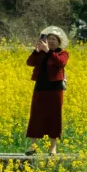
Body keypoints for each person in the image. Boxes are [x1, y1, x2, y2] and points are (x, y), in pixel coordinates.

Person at [26, 26, 70, 156]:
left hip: (55, 89)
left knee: (54, 117)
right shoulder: (41, 53)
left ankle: (53, 147)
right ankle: (33, 146)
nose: (50, 42)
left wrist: (49, 51)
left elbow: (60, 63)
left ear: (59, 41)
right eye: (48, 39)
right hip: (40, 87)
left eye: (53, 39)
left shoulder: (63, 53)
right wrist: (36, 51)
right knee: (36, 116)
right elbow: (30, 62)